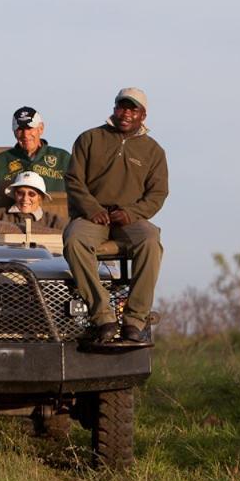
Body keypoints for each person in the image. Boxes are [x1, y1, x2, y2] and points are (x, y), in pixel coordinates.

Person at [63, 88, 168, 344]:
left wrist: (131, 213)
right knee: (74, 240)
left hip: (130, 219)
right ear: (114, 109)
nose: (126, 113)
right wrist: (92, 209)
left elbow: (157, 194)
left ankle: (135, 320)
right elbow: (74, 180)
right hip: (93, 216)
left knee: (151, 240)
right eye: (122, 107)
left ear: (143, 115)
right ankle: (103, 316)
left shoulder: (154, 151)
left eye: (133, 109)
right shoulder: (90, 138)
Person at [0, 106, 71, 194]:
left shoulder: (63, 159)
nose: (25, 134)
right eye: (20, 129)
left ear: (41, 129)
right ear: (14, 132)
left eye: (30, 128)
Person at [0, 171, 68, 231]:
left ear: (40, 197)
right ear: (14, 194)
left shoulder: (55, 222)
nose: (25, 198)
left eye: (31, 194)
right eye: (20, 193)